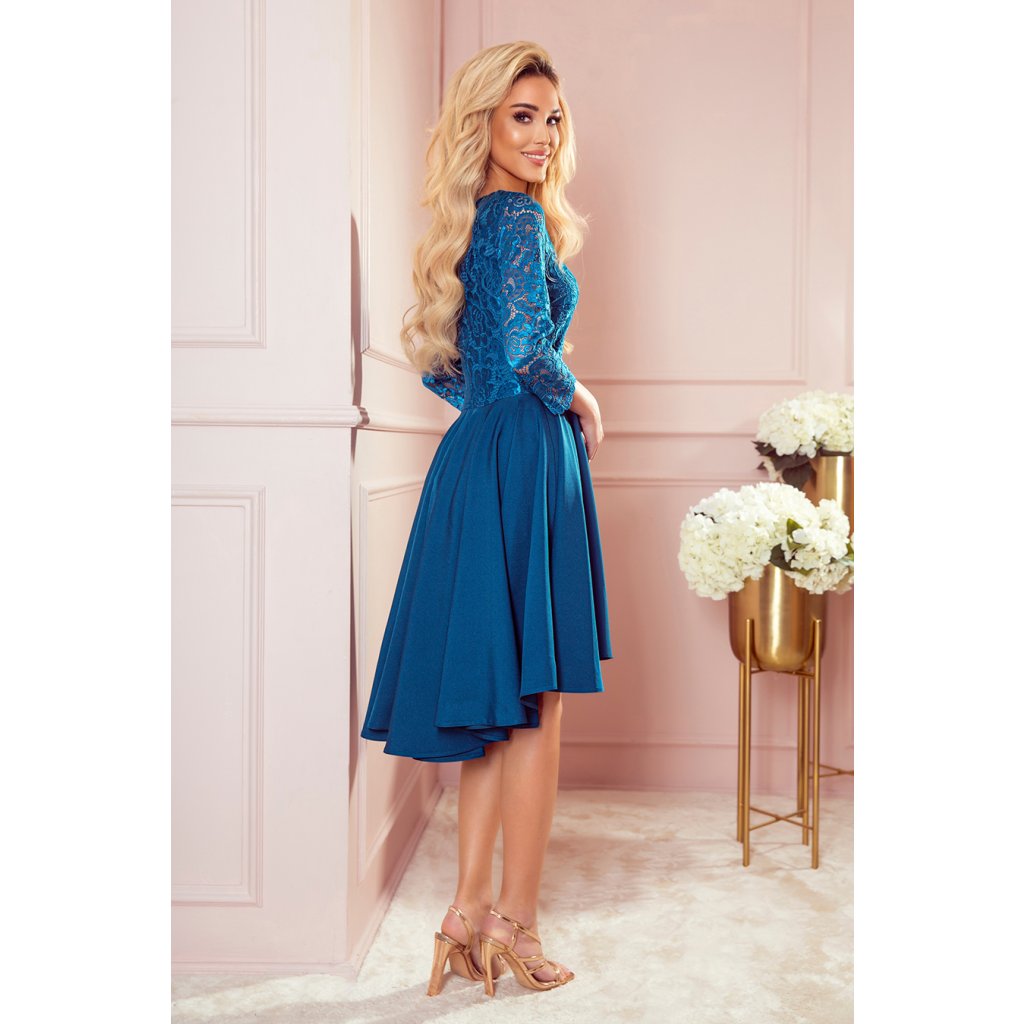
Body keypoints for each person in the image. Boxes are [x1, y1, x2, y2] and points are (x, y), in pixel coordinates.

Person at [359, 41, 613, 998]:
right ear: (484, 125)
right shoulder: (514, 219)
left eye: (552, 118)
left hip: (477, 457)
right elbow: (524, 349)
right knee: (537, 704)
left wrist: (499, 411)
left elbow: (445, 366)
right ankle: (517, 924)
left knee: (500, 708)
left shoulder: (472, 222)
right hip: (526, 456)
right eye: (521, 116)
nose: (542, 135)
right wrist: (579, 396)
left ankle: (465, 916)